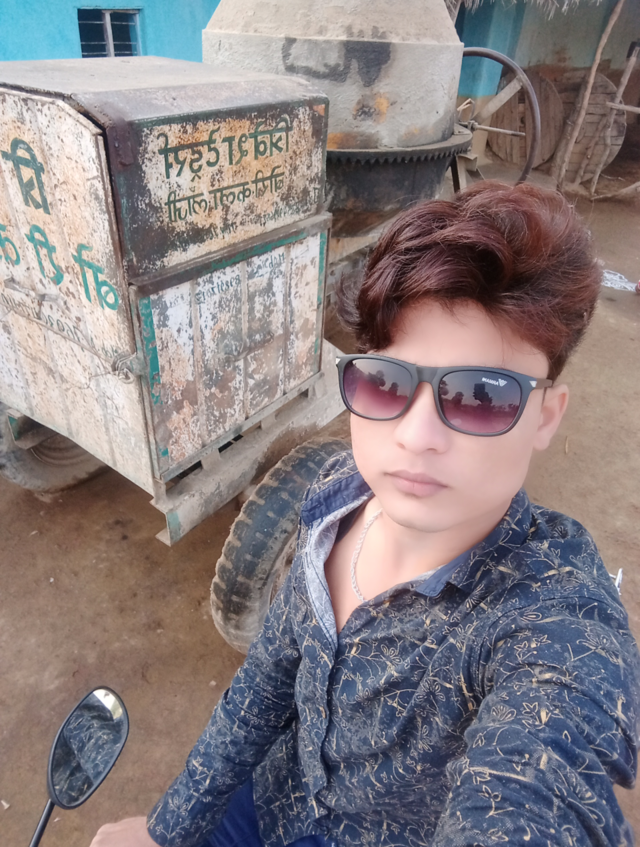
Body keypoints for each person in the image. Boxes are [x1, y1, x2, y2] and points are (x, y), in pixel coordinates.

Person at [90, 181, 640, 847]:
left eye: (480, 394)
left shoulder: (551, 615)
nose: (416, 435)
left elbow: (539, 774)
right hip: (273, 798)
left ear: (546, 416)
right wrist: (168, 827)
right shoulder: (335, 496)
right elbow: (266, 681)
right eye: (386, 382)